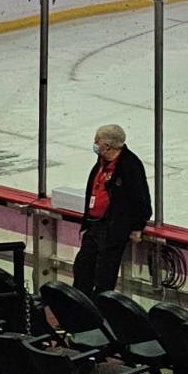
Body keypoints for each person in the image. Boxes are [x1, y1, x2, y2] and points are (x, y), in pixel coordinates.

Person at [73, 124, 151, 293]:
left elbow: (141, 199)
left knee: (104, 277)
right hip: (94, 225)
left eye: (96, 141)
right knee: (82, 268)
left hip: (112, 230)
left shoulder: (130, 165)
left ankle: (99, 313)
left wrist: (138, 226)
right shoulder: (102, 162)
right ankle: (78, 308)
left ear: (106, 146)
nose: (94, 143)